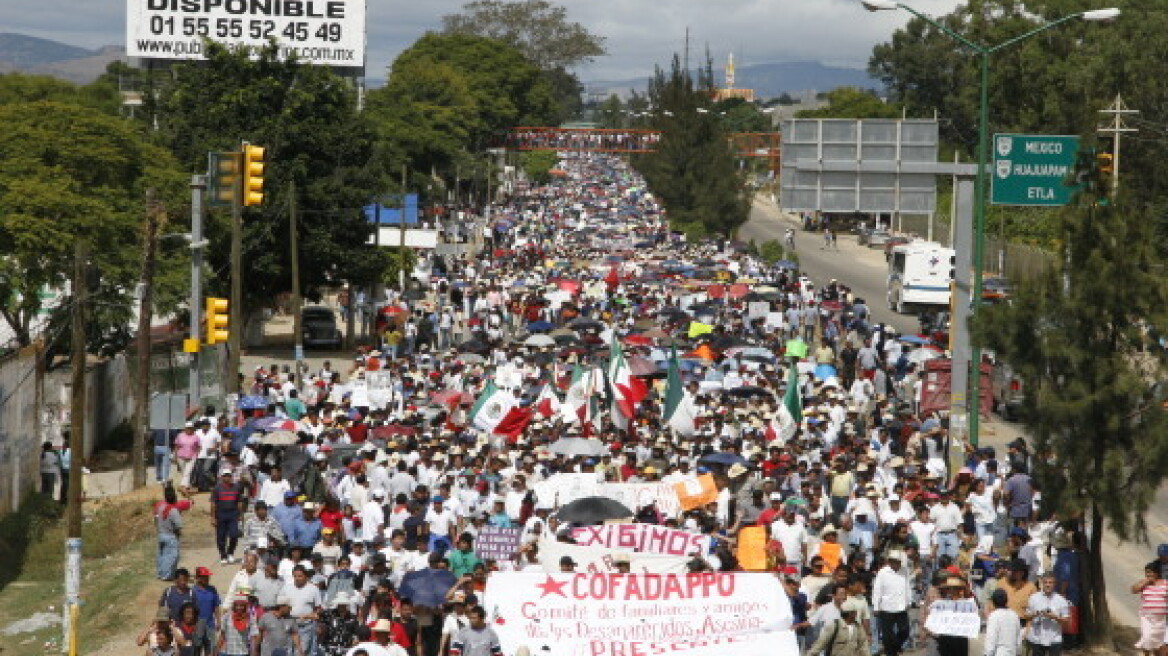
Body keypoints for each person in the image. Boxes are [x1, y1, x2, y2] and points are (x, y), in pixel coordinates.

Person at [871, 551, 911, 656]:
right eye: (893, 561)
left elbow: (907, 586)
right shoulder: (883, 572)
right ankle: (891, 653)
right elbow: (877, 590)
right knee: (887, 635)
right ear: (889, 562)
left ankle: (895, 647)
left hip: (901, 606)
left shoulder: (905, 571)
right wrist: (876, 606)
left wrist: (909, 601)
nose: (896, 564)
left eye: (898, 562)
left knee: (905, 631)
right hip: (886, 607)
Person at [1025, 574, 1071, 655]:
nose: (1048, 585)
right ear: (1042, 583)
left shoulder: (1061, 600)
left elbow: (1067, 620)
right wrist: (1036, 614)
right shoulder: (1033, 598)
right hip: (1037, 638)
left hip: (1054, 638)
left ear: (1054, 584)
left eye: (1050, 582)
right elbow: (1027, 615)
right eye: (1045, 582)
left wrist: (1055, 617)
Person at [1132, 563, 1168, 656]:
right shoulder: (1144, 583)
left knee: (1159, 643)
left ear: (1156, 573)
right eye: (1146, 573)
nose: (1148, 575)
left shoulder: (1165, 583)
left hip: (1160, 619)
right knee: (1147, 637)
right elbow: (1133, 590)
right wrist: (1144, 583)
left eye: (1150, 572)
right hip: (1147, 617)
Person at [210, 468, 244, 564]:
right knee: (221, 537)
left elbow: (239, 502)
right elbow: (213, 504)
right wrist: (213, 517)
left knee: (234, 534)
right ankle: (223, 555)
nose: (227, 478)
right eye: (225, 476)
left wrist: (241, 515)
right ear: (222, 477)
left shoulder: (236, 487)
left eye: (229, 475)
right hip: (221, 514)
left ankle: (230, 553)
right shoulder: (217, 488)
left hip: (233, 514)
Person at [155, 484, 185, 580]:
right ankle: (167, 575)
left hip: (161, 534)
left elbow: (156, 519)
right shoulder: (173, 510)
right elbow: (179, 525)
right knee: (172, 556)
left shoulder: (161, 507)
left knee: (162, 555)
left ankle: (160, 573)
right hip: (170, 536)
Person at [984, 588, 1022, 656]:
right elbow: (1018, 637)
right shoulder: (1014, 615)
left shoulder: (994, 616)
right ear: (1006, 600)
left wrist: (987, 653)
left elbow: (991, 638)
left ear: (993, 602)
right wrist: (1018, 652)